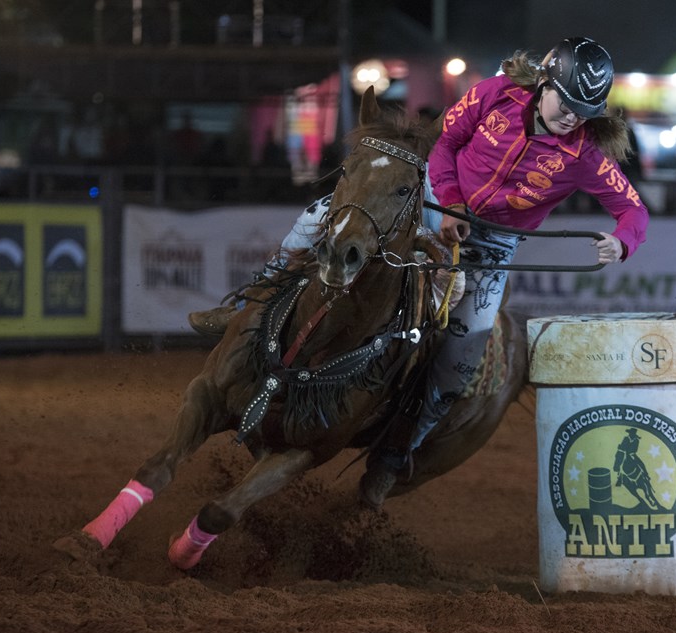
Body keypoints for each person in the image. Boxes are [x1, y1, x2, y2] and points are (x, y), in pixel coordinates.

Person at [189, 37, 650, 507]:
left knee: (465, 351)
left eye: (583, 111)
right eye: (566, 103)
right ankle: (245, 306)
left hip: (492, 245)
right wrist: (450, 203)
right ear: (544, 84)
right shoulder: (495, 94)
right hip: (431, 202)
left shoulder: (586, 154)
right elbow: (444, 143)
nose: (572, 117)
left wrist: (622, 241)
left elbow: (633, 211)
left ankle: (397, 449)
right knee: (319, 216)